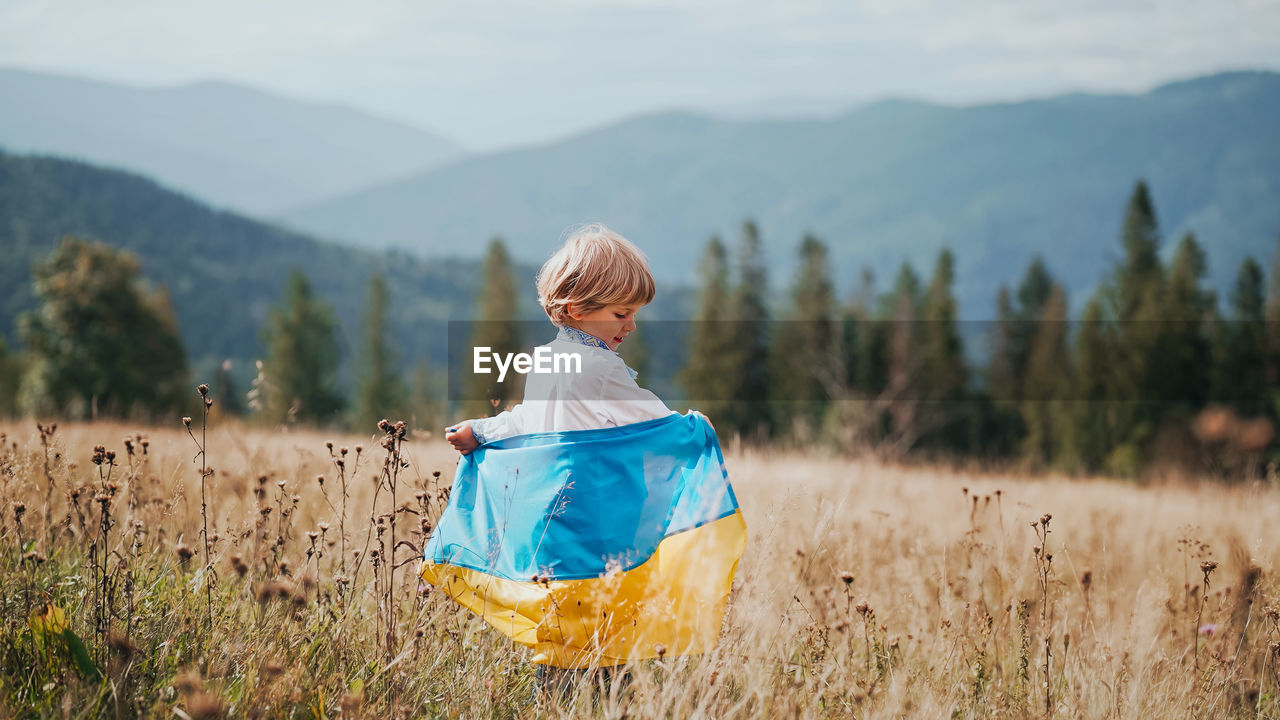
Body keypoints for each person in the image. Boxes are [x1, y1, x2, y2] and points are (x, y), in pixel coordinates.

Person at [422, 223, 746, 702]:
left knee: (563, 618)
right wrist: (696, 427)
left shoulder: (547, 361)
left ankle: (555, 702)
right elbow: (652, 420)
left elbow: (528, 420)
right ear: (575, 309)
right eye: (621, 313)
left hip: (551, 520)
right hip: (597, 522)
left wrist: (482, 430)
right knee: (605, 622)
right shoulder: (600, 368)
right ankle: (605, 702)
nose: (630, 326)